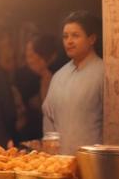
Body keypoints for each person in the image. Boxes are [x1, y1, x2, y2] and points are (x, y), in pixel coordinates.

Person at [43, 11, 104, 154]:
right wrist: (51, 156)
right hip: (60, 163)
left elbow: (114, 125)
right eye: (65, 36)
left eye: (75, 36)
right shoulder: (58, 76)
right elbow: (48, 117)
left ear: (92, 39)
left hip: (94, 164)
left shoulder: (104, 73)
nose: (69, 41)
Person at [16, 34, 62, 143]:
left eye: (33, 55)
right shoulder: (22, 75)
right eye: (27, 55)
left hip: (53, 133)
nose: (30, 60)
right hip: (29, 133)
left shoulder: (57, 74)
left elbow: (50, 108)